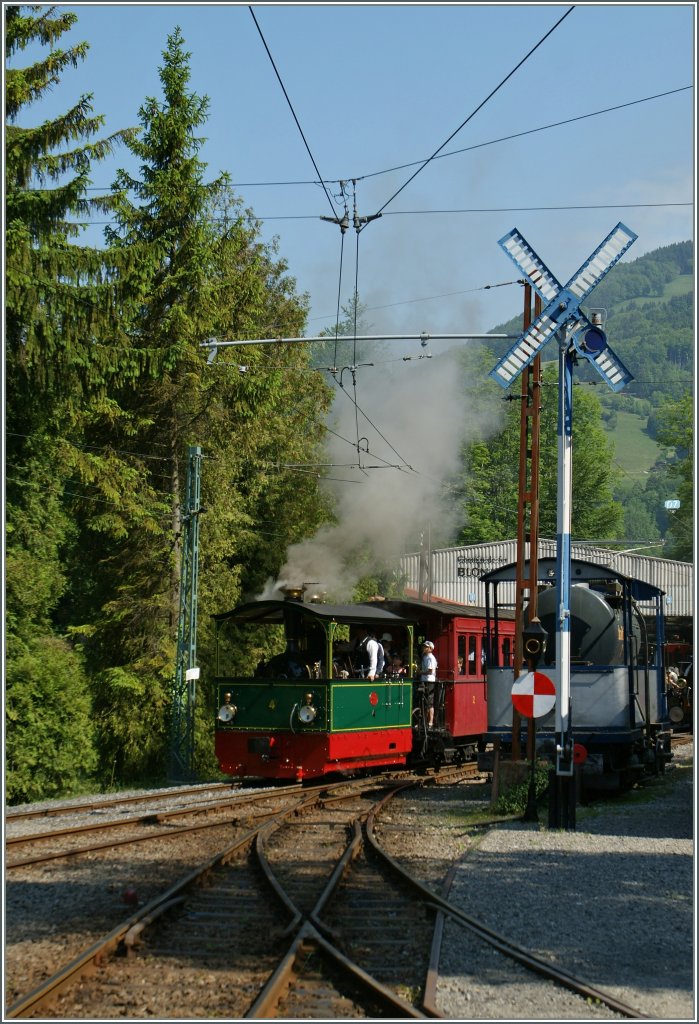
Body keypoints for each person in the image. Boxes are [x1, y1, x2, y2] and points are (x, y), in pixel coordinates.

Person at [420, 640, 438, 728]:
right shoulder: (425, 657)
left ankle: (430, 722)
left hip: (429, 681)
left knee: (429, 702)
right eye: (424, 646)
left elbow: (430, 671)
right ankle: (424, 721)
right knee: (424, 701)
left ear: (430, 648)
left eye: (426, 647)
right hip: (424, 680)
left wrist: (420, 673)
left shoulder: (431, 658)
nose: (424, 648)